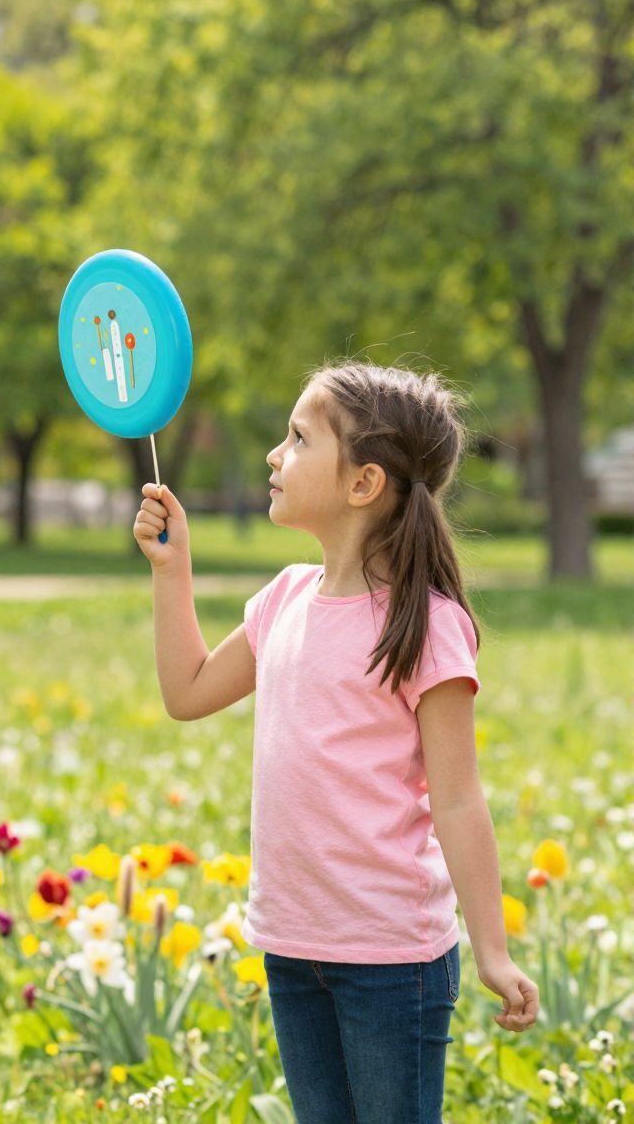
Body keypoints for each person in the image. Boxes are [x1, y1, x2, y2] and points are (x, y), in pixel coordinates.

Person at [135, 363, 539, 1122]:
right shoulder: (282, 600)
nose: (272, 456)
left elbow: (457, 801)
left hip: (391, 960)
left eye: (296, 439)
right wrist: (172, 570)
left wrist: (492, 950)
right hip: (292, 943)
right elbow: (186, 692)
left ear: (363, 484)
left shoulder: (424, 624)